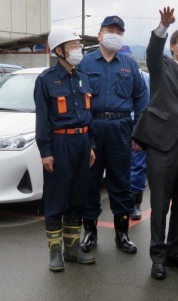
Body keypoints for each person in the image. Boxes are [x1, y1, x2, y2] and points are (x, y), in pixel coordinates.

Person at [132, 6, 178, 280]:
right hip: (163, 145)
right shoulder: (162, 66)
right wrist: (163, 27)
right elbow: (152, 51)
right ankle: (158, 257)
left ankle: (175, 251)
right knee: (160, 204)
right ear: (173, 47)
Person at [78, 16, 148, 255]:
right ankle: (90, 233)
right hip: (92, 128)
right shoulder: (85, 63)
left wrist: (138, 133)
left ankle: (122, 234)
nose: (114, 35)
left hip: (121, 128)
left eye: (119, 32)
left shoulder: (130, 65)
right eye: (110, 30)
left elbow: (141, 100)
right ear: (99, 35)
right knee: (90, 182)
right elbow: (77, 99)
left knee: (121, 183)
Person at [34, 27, 96, 271]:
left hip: (82, 142)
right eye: (72, 46)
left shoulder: (83, 78)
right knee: (56, 198)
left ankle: (72, 248)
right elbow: (42, 120)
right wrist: (45, 152)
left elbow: (89, 115)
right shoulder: (46, 80)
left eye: (78, 45)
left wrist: (91, 145)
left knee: (78, 197)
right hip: (60, 143)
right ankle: (55, 252)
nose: (78, 50)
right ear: (58, 50)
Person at [118, 45, 151, 222]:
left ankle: (134, 204)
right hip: (118, 125)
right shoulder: (113, 75)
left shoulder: (145, 77)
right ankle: (121, 201)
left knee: (137, 164)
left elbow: (151, 102)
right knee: (119, 164)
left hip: (139, 125)